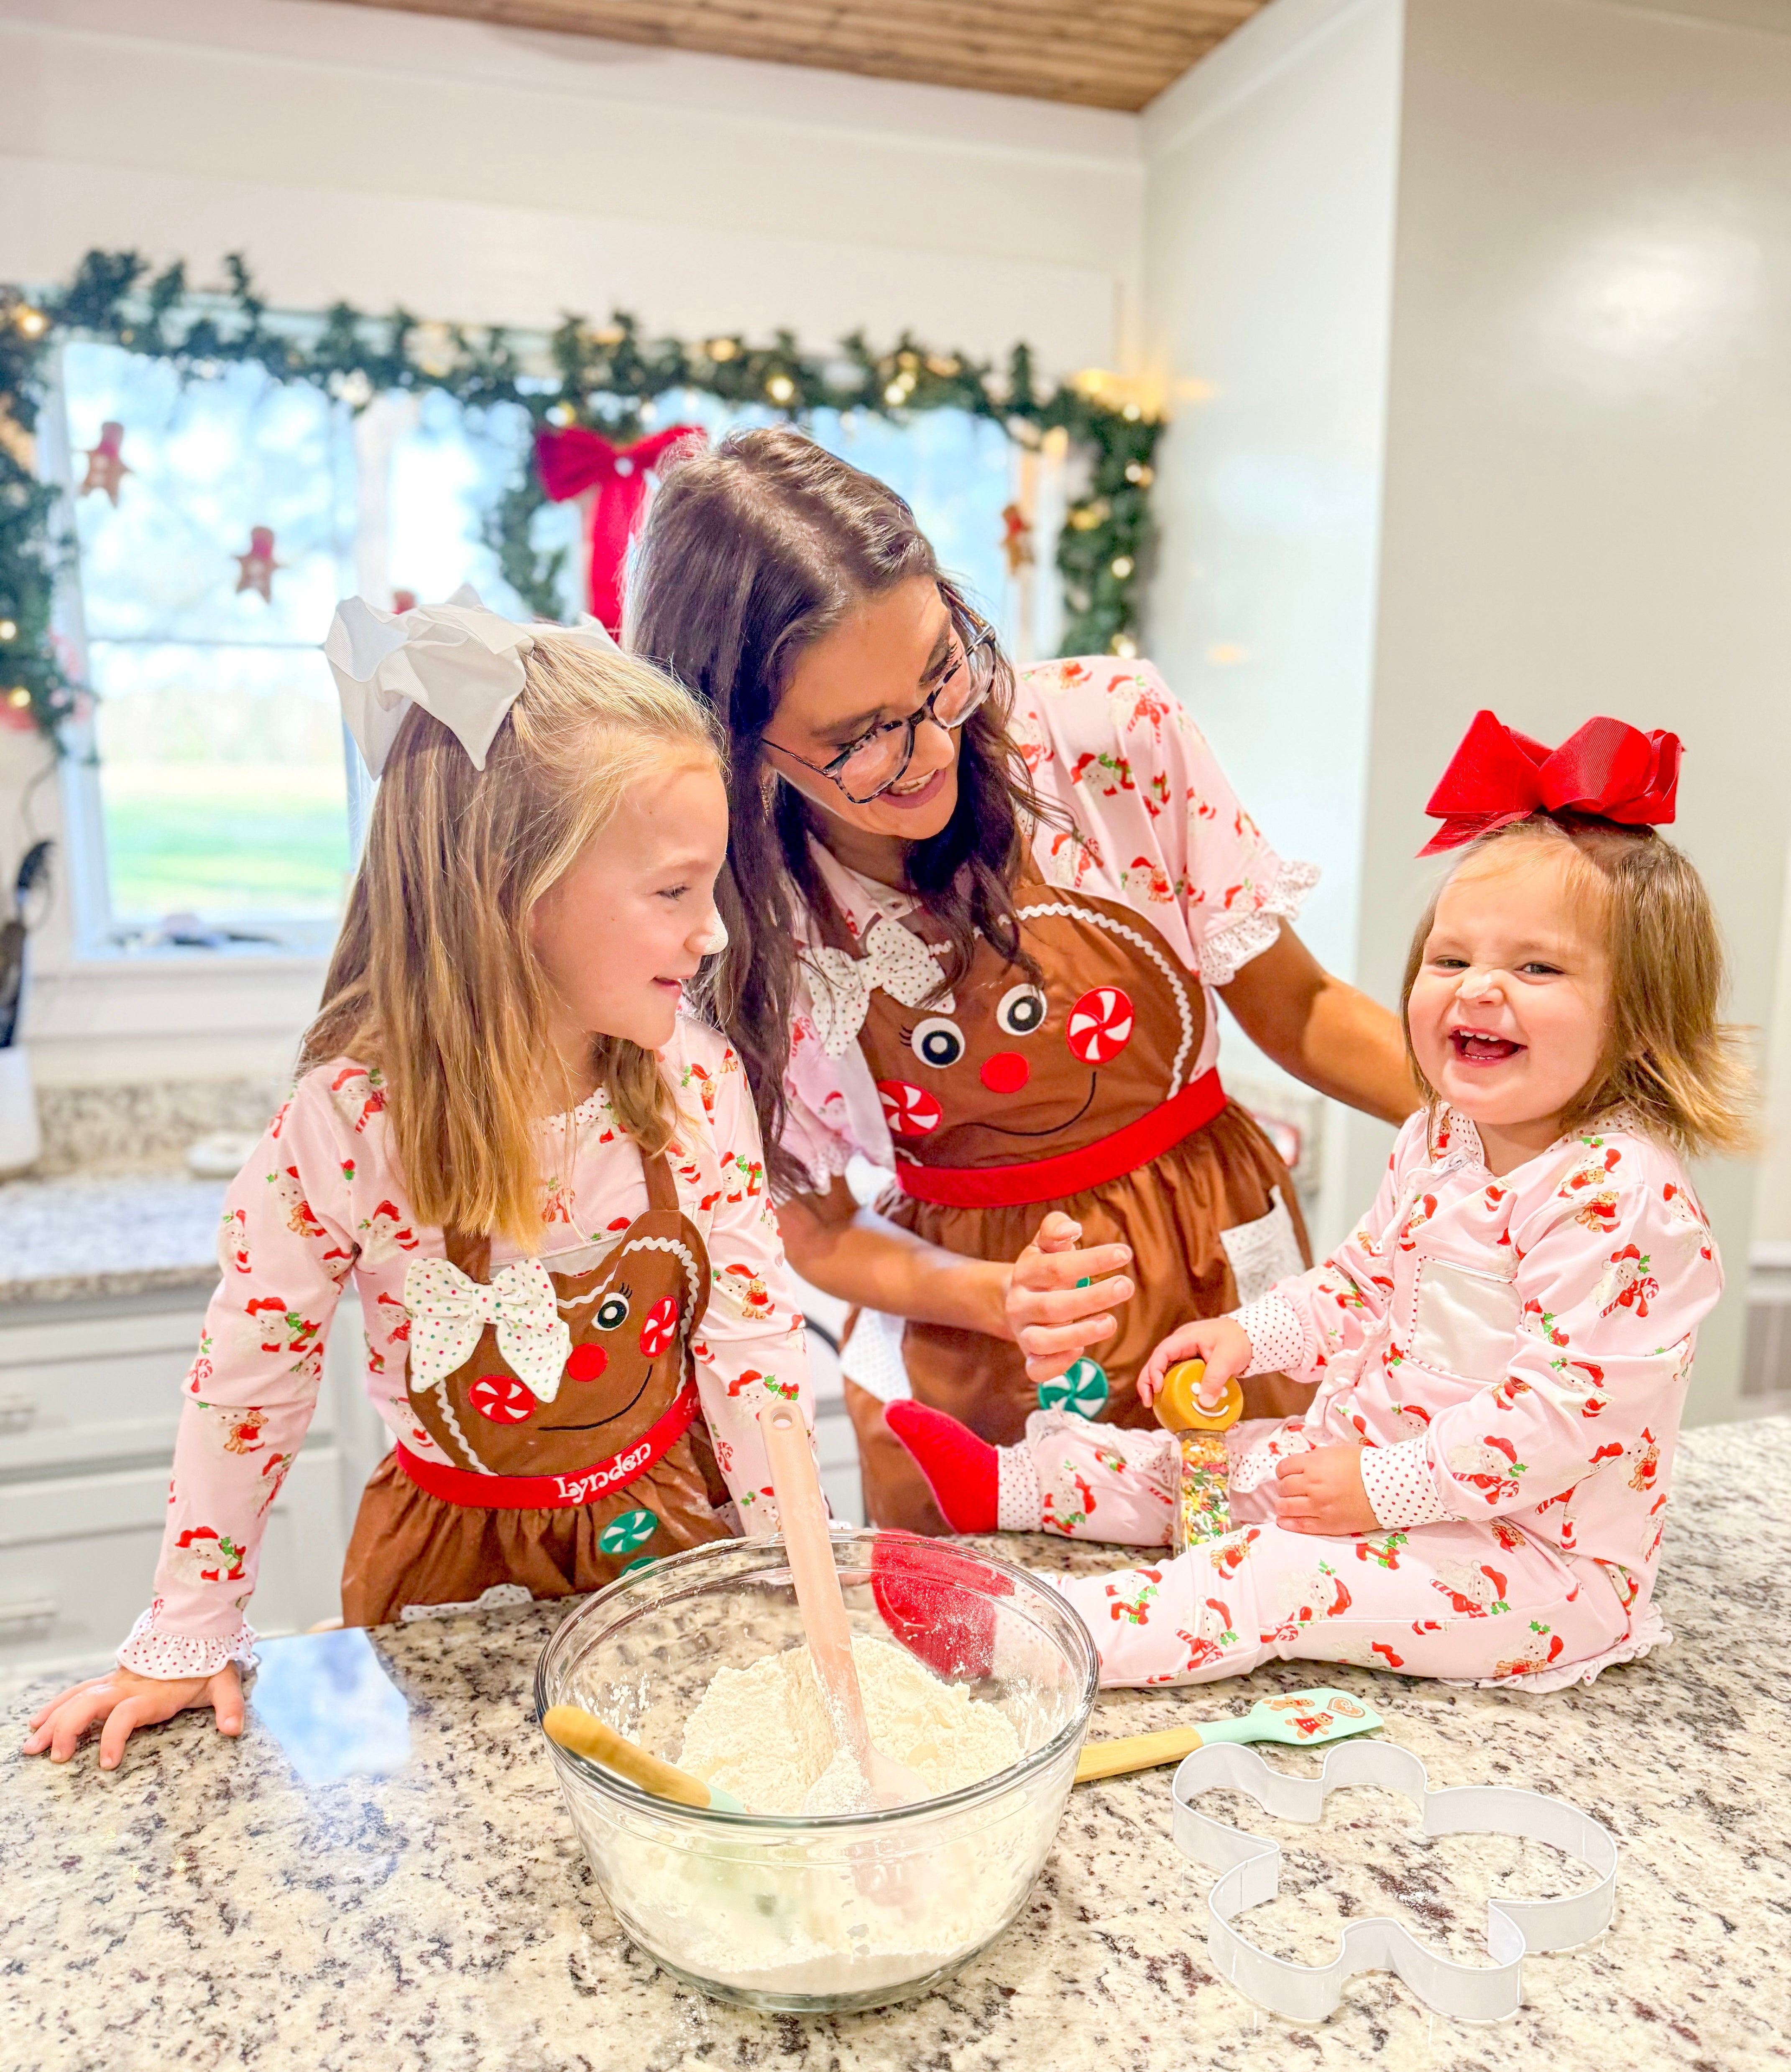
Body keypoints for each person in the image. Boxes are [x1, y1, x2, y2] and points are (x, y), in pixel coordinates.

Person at [25, 595, 810, 1769]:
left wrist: (797, 1569)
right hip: (446, 1570)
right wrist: (188, 1630)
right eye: (672, 890)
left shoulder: (692, 1080)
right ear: (514, 890)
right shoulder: (349, 1122)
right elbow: (253, 1373)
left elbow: (748, 1344)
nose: (713, 934)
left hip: (667, 1536)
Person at [628, 427, 1417, 1532]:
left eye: (941, 672)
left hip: (1216, 1265)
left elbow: (1300, 1009)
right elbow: (808, 1226)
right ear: (737, 749)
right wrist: (992, 1298)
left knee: (1263, 1587)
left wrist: (1536, 1138)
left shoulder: (1109, 736)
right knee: (992, 1660)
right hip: (969, 1328)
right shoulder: (739, 914)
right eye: (860, 738)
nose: (932, 747)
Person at [883, 712, 1745, 1690]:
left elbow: (1561, 1415)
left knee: (1271, 1576)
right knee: (1220, 1461)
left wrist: (1385, 1486)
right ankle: (1017, 1481)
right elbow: (1359, 1281)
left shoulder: (1624, 1201)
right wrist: (1250, 1338)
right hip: (1387, 1467)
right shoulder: (1441, 1138)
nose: (1479, 990)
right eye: (1451, 959)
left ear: (1642, 1021)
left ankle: (1024, 1633)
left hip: (1533, 1563)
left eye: (1537, 967)